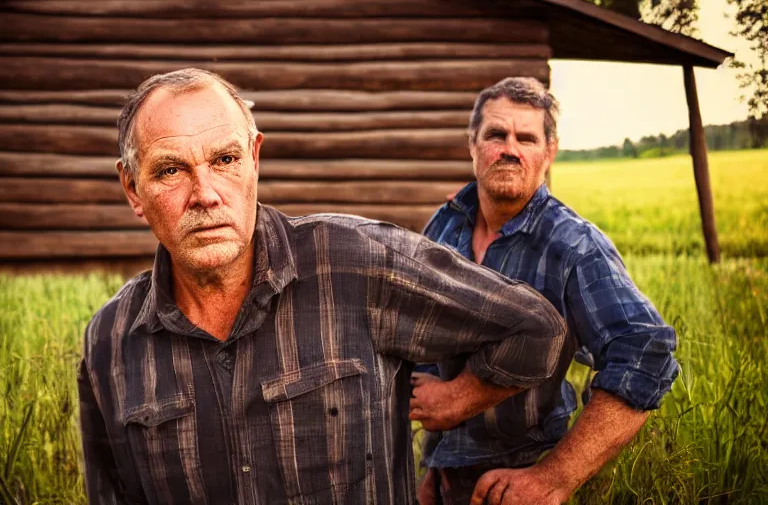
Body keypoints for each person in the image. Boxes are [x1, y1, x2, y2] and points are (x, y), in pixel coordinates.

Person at [76, 68, 567, 505]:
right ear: (133, 188)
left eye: (224, 160)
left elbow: (536, 330)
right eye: (169, 170)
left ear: (254, 158)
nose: (204, 194)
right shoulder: (109, 344)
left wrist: (459, 397)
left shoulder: (354, 262)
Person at [411, 77, 679, 505]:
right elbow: (426, 351)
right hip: (445, 483)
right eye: (496, 134)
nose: (510, 148)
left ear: (548, 152)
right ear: (472, 146)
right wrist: (436, 469)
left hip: (519, 483)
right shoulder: (445, 226)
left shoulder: (573, 246)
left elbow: (645, 354)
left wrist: (553, 478)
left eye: (527, 138)